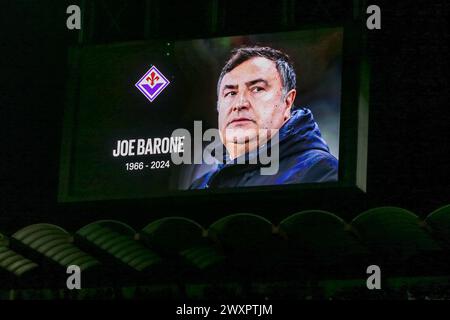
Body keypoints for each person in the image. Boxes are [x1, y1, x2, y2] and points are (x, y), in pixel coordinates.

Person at [190, 46, 338, 189]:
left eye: (257, 89)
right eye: (231, 93)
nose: (240, 103)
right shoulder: (200, 185)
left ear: (287, 102)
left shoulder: (319, 171)